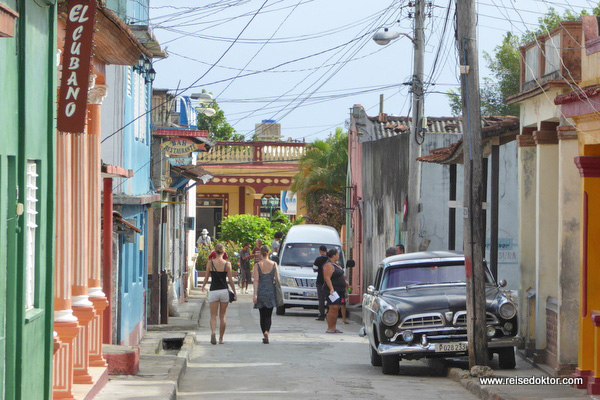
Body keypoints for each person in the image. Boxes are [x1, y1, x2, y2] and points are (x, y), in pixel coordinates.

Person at [200, 243, 237, 345]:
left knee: (213, 316)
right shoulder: (227, 264)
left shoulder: (210, 263)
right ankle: (221, 338)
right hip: (224, 290)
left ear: (214, 252)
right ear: (224, 252)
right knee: (223, 316)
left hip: (213, 290)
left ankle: (213, 332)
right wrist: (234, 292)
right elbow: (230, 280)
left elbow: (206, 277)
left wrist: (203, 286)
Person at [253, 245, 280, 344]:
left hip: (261, 292)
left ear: (260, 253)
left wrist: (255, 295)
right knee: (268, 315)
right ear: (269, 253)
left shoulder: (257, 265)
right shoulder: (274, 264)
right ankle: (267, 331)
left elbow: (256, 280)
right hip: (271, 292)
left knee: (262, 315)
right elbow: (277, 279)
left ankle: (264, 333)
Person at [323, 248, 346, 334]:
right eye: (337, 254)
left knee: (336, 308)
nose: (338, 256)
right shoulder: (328, 265)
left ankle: (334, 327)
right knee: (333, 307)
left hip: (340, 289)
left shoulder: (336, 264)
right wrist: (331, 288)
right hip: (332, 290)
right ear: (333, 255)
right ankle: (330, 327)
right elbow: (327, 278)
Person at [312, 245, 328, 321]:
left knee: (321, 299)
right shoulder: (329, 259)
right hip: (329, 282)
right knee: (329, 298)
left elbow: (314, 269)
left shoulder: (318, 259)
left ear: (320, 251)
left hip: (320, 281)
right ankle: (329, 314)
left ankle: (321, 315)